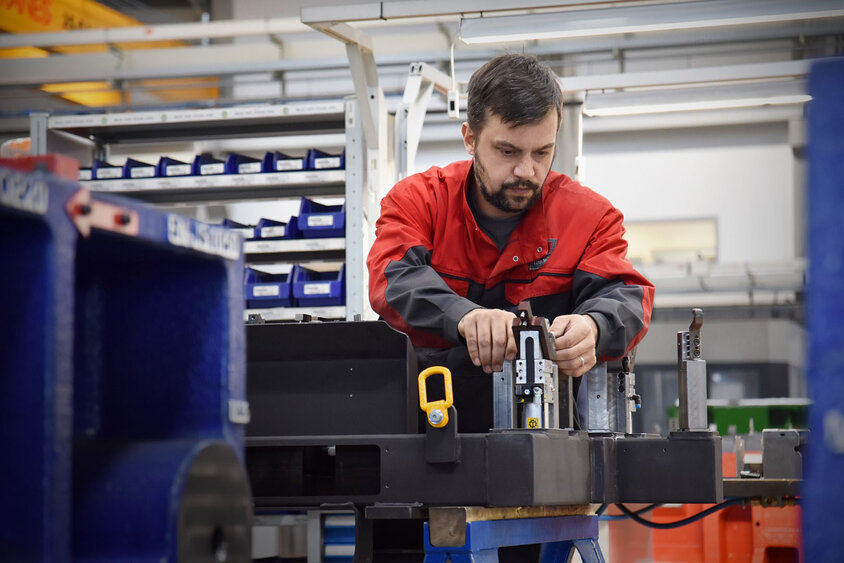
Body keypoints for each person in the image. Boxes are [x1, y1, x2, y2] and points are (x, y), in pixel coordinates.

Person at [367, 54, 654, 418]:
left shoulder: (589, 218)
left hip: (548, 442)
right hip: (422, 435)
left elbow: (627, 297)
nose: (526, 170)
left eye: (542, 152)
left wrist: (593, 326)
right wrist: (464, 316)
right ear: (470, 139)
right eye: (508, 151)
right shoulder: (421, 201)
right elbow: (392, 280)